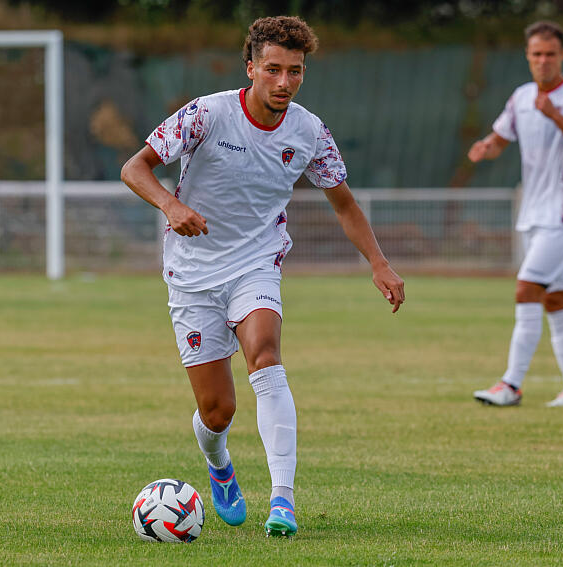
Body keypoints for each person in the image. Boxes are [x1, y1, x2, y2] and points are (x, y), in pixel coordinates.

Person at [120, 15, 405, 537]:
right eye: (273, 69)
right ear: (250, 67)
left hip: (257, 261)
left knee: (266, 355)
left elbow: (343, 203)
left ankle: (283, 502)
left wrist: (379, 262)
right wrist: (170, 205)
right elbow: (134, 167)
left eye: (295, 72)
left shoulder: (310, 131)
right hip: (191, 271)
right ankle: (219, 462)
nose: (284, 83)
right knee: (217, 409)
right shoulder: (207, 114)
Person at [467, 21, 563, 408]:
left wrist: (556, 116)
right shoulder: (522, 96)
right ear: (528, 57)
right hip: (532, 212)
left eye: (550, 54)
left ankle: (511, 384)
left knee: (527, 287)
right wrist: (486, 148)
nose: (543, 61)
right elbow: (501, 137)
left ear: (562, 55)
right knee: (556, 299)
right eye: (536, 54)